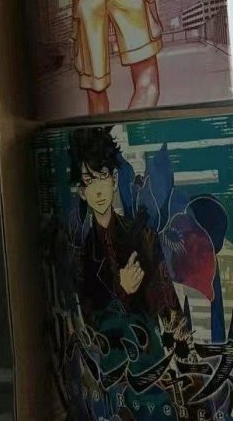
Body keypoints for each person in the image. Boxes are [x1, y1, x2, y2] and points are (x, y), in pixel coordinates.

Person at [68, 126, 182, 329]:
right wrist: (122, 290)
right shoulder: (82, 256)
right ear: (82, 192)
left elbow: (170, 309)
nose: (98, 190)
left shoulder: (144, 236)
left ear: (114, 180)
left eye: (103, 176)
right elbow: (89, 325)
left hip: (151, 345)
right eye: (89, 180)